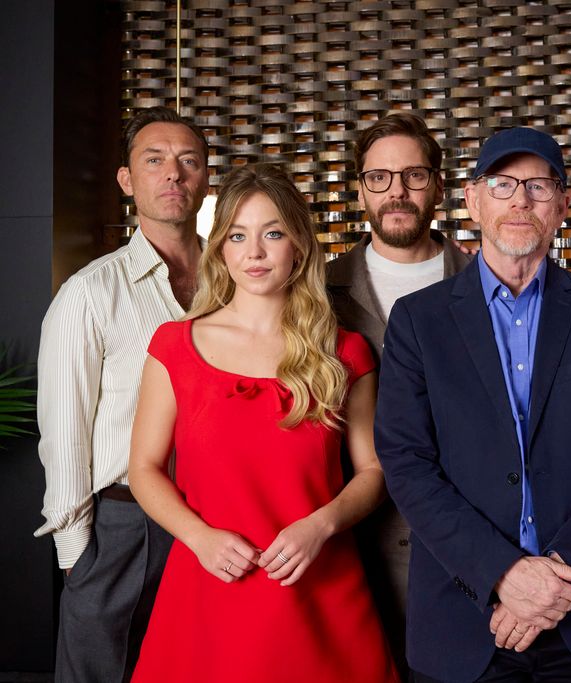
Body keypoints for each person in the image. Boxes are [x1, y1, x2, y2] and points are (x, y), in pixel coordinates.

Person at [374, 127, 571, 682]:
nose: (520, 200)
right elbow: (407, 463)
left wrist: (554, 578)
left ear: (562, 205)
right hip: (467, 622)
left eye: (537, 185)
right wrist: (504, 573)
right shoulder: (418, 321)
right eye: (502, 185)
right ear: (473, 200)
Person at [127, 163, 398, 682]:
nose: (254, 252)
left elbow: (375, 473)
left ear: (297, 245)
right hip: (208, 588)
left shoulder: (345, 351)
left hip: (320, 590)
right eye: (237, 235)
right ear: (221, 249)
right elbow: (143, 468)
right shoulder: (174, 346)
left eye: (272, 234)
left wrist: (322, 525)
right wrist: (199, 537)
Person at [35, 106, 208, 682]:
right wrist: (79, 562)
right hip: (125, 528)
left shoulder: (237, 279)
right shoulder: (88, 294)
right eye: (153, 160)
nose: (173, 175)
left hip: (219, 523)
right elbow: (64, 439)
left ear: (207, 177)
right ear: (127, 180)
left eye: (188, 161)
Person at [327, 112, 471, 672]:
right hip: (351, 542)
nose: (398, 192)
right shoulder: (318, 292)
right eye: (379, 177)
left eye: (413, 175)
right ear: (360, 187)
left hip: (457, 541)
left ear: (438, 183)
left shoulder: (482, 283)